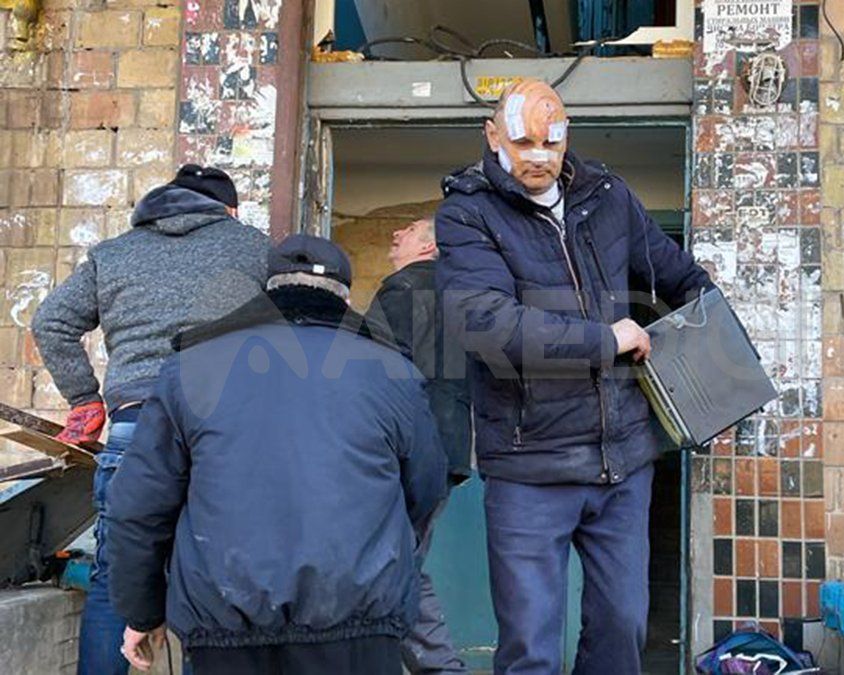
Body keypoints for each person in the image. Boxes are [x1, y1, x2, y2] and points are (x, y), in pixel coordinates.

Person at [435, 79, 712, 674]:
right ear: (492, 137)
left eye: (551, 140)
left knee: (623, 628)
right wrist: (606, 339)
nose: (538, 155)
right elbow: (486, 324)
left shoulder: (609, 197)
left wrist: (707, 352)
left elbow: (680, 276)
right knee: (531, 645)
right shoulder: (467, 213)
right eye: (523, 141)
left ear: (568, 137)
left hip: (623, 462)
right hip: (530, 466)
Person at [104, 235, 448, 675]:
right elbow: (425, 488)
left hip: (225, 625)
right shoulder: (393, 370)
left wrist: (142, 611)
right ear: (345, 295)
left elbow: (138, 505)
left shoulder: (191, 368)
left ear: (268, 289)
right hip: (358, 621)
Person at [31, 164, 269, 675]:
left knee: (115, 578)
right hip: (223, 432)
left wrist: (84, 399)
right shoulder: (253, 246)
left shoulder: (113, 253)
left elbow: (51, 321)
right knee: (221, 581)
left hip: (135, 427)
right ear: (227, 211)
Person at [367, 218, 471, 673]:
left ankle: (441, 668)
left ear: (429, 246)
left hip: (400, 454)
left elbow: (373, 374)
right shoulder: (465, 297)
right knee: (399, 562)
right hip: (447, 451)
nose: (394, 235)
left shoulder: (403, 289)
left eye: (407, 230)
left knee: (392, 567)